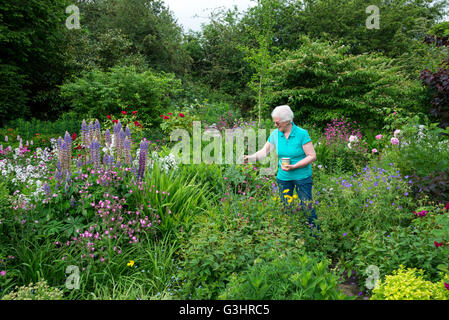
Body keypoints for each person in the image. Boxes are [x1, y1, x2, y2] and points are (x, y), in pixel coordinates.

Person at [244, 105, 319, 229]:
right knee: (286, 206)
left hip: (302, 177)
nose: (275, 125)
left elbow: (312, 156)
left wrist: (294, 166)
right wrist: (250, 158)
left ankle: (315, 233)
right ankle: (290, 233)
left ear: (287, 121)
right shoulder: (275, 134)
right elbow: (264, 152)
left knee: (307, 206)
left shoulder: (301, 134)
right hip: (283, 177)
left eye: (277, 122)